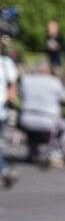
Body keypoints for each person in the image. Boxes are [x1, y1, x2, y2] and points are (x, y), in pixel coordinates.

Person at [18, 61, 65, 166]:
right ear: (48, 71)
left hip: (26, 118)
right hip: (48, 119)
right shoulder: (54, 81)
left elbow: (21, 95)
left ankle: (33, 152)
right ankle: (56, 155)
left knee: (32, 130)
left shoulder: (26, 80)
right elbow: (64, 98)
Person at [0, 43, 19, 187]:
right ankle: (4, 170)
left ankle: (4, 170)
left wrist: (9, 96)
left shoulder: (5, 62)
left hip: (2, 109)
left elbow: (13, 83)